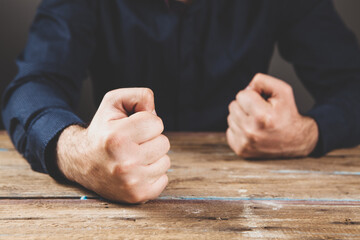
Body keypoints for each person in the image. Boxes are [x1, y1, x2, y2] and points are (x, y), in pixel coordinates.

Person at [2, 0, 360, 203]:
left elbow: (352, 82)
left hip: (254, 195)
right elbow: (32, 84)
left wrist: (306, 133)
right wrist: (78, 153)